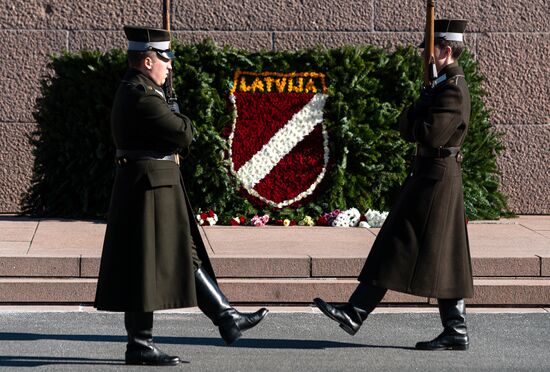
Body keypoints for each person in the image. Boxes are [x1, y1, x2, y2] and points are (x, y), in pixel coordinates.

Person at [94, 25, 268, 366]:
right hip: (148, 188)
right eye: (165, 58)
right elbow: (183, 134)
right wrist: (175, 111)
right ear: (147, 61)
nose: (169, 65)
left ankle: (226, 317)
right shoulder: (140, 94)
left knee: (184, 254)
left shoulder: (141, 89)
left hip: (155, 185)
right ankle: (141, 344)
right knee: (143, 264)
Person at [313, 19, 473, 351]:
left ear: (444, 50)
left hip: (436, 180)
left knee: (401, 242)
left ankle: (356, 313)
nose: (423, 58)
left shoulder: (453, 88)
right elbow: (406, 125)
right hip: (430, 176)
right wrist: (422, 102)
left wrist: (422, 106)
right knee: (434, 250)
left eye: (429, 52)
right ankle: (453, 329)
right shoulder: (440, 85)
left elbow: (429, 132)